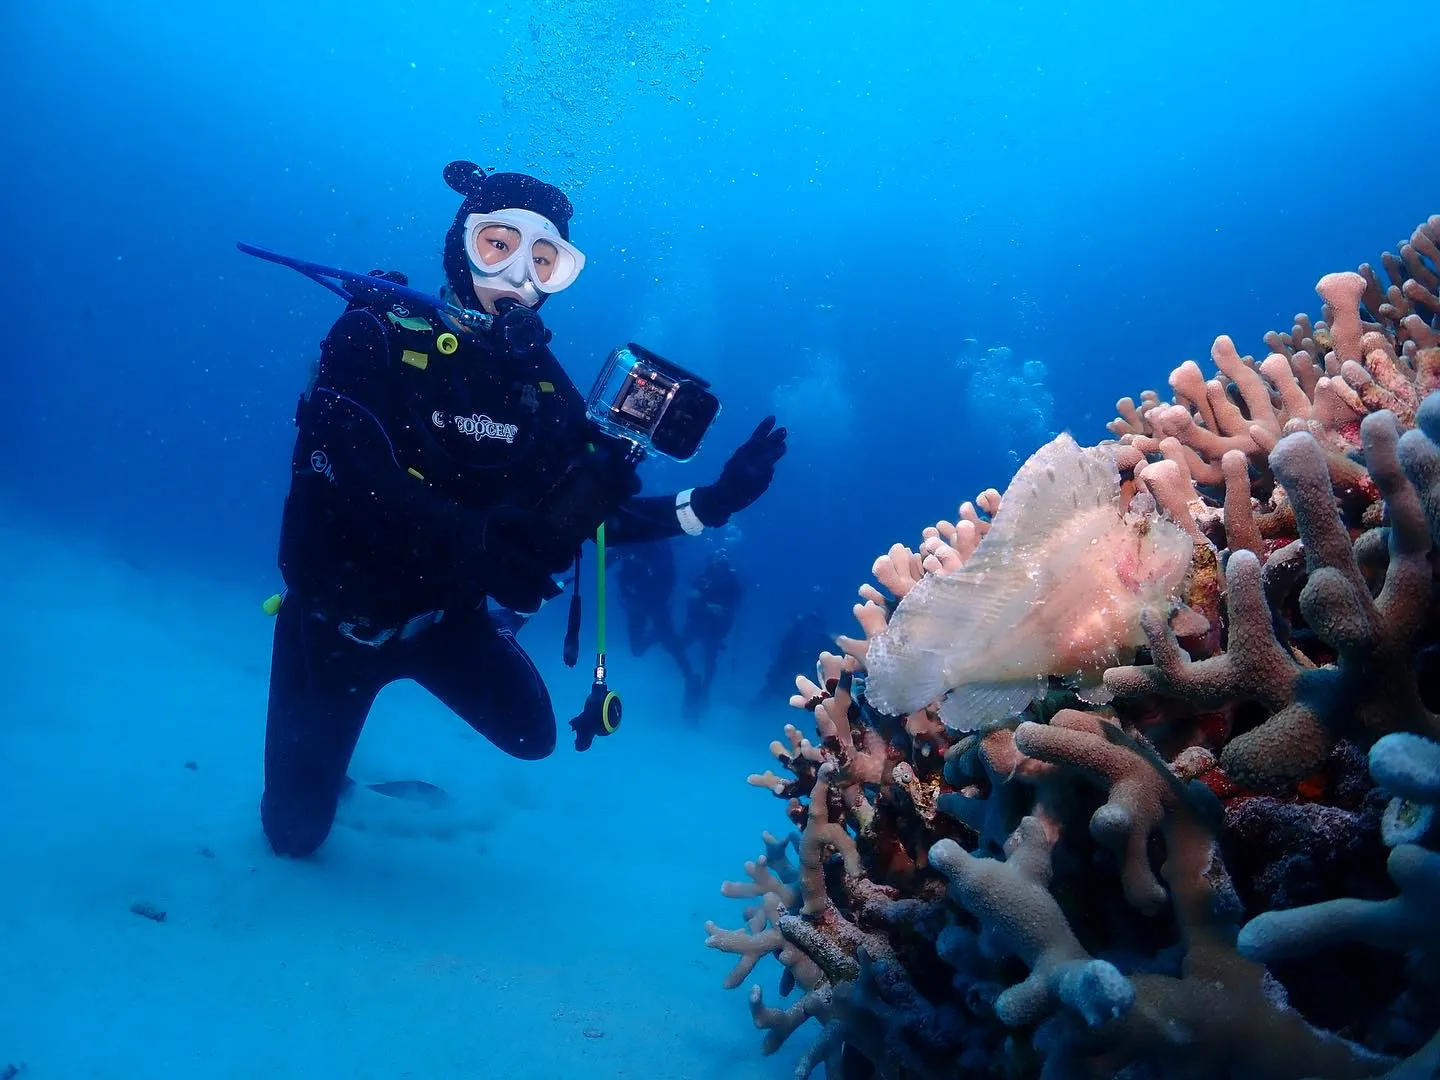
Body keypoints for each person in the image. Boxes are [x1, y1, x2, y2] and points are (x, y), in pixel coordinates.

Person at [260, 160, 787, 858]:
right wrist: (478, 540)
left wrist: (712, 505)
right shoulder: (372, 334)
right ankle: (334, 781)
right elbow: (353, 475)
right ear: (461, 244)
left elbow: (589, 521)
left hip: (444, 620)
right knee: (293, 837)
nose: (519, 278)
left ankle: (486, 633)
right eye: (498, 246)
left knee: (533, 737)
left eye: (546, 262)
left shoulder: (542, 391)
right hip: (334, 626)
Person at [677, 547, 745, 716]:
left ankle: (705, 689)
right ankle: (691, 679)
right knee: (677, 646)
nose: (717, 575)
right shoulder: (705, 580)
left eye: (720, 571)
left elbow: (730, 611)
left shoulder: (733, 586)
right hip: (699, 623)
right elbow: (691, 598)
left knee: (710, 658)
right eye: (715, 571)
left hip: (716, 629)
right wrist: (707, 606)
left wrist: (718, 611)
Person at [615, 539, 693, 679]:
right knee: (637, 649)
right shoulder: (628, 541)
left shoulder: (658, 544)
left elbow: (668, 575)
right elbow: (609, 559)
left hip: (656, 600)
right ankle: (658, 635)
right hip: (636, 601)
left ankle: (689, 675)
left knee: (670, 642)